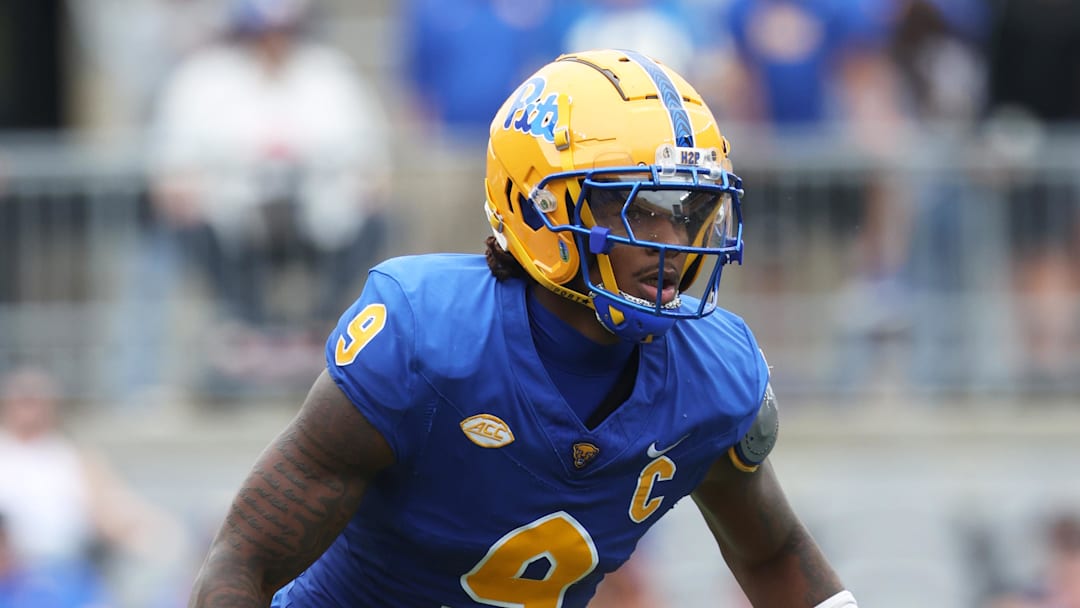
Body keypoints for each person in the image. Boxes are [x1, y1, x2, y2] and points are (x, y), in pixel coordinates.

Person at [187, 49, 857, 608]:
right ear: (536, 204)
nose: (671, 240)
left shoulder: (712, 375)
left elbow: (774, 553)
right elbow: (241, 561)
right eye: (637, 207)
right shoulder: (427, 338)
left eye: (687, 210)